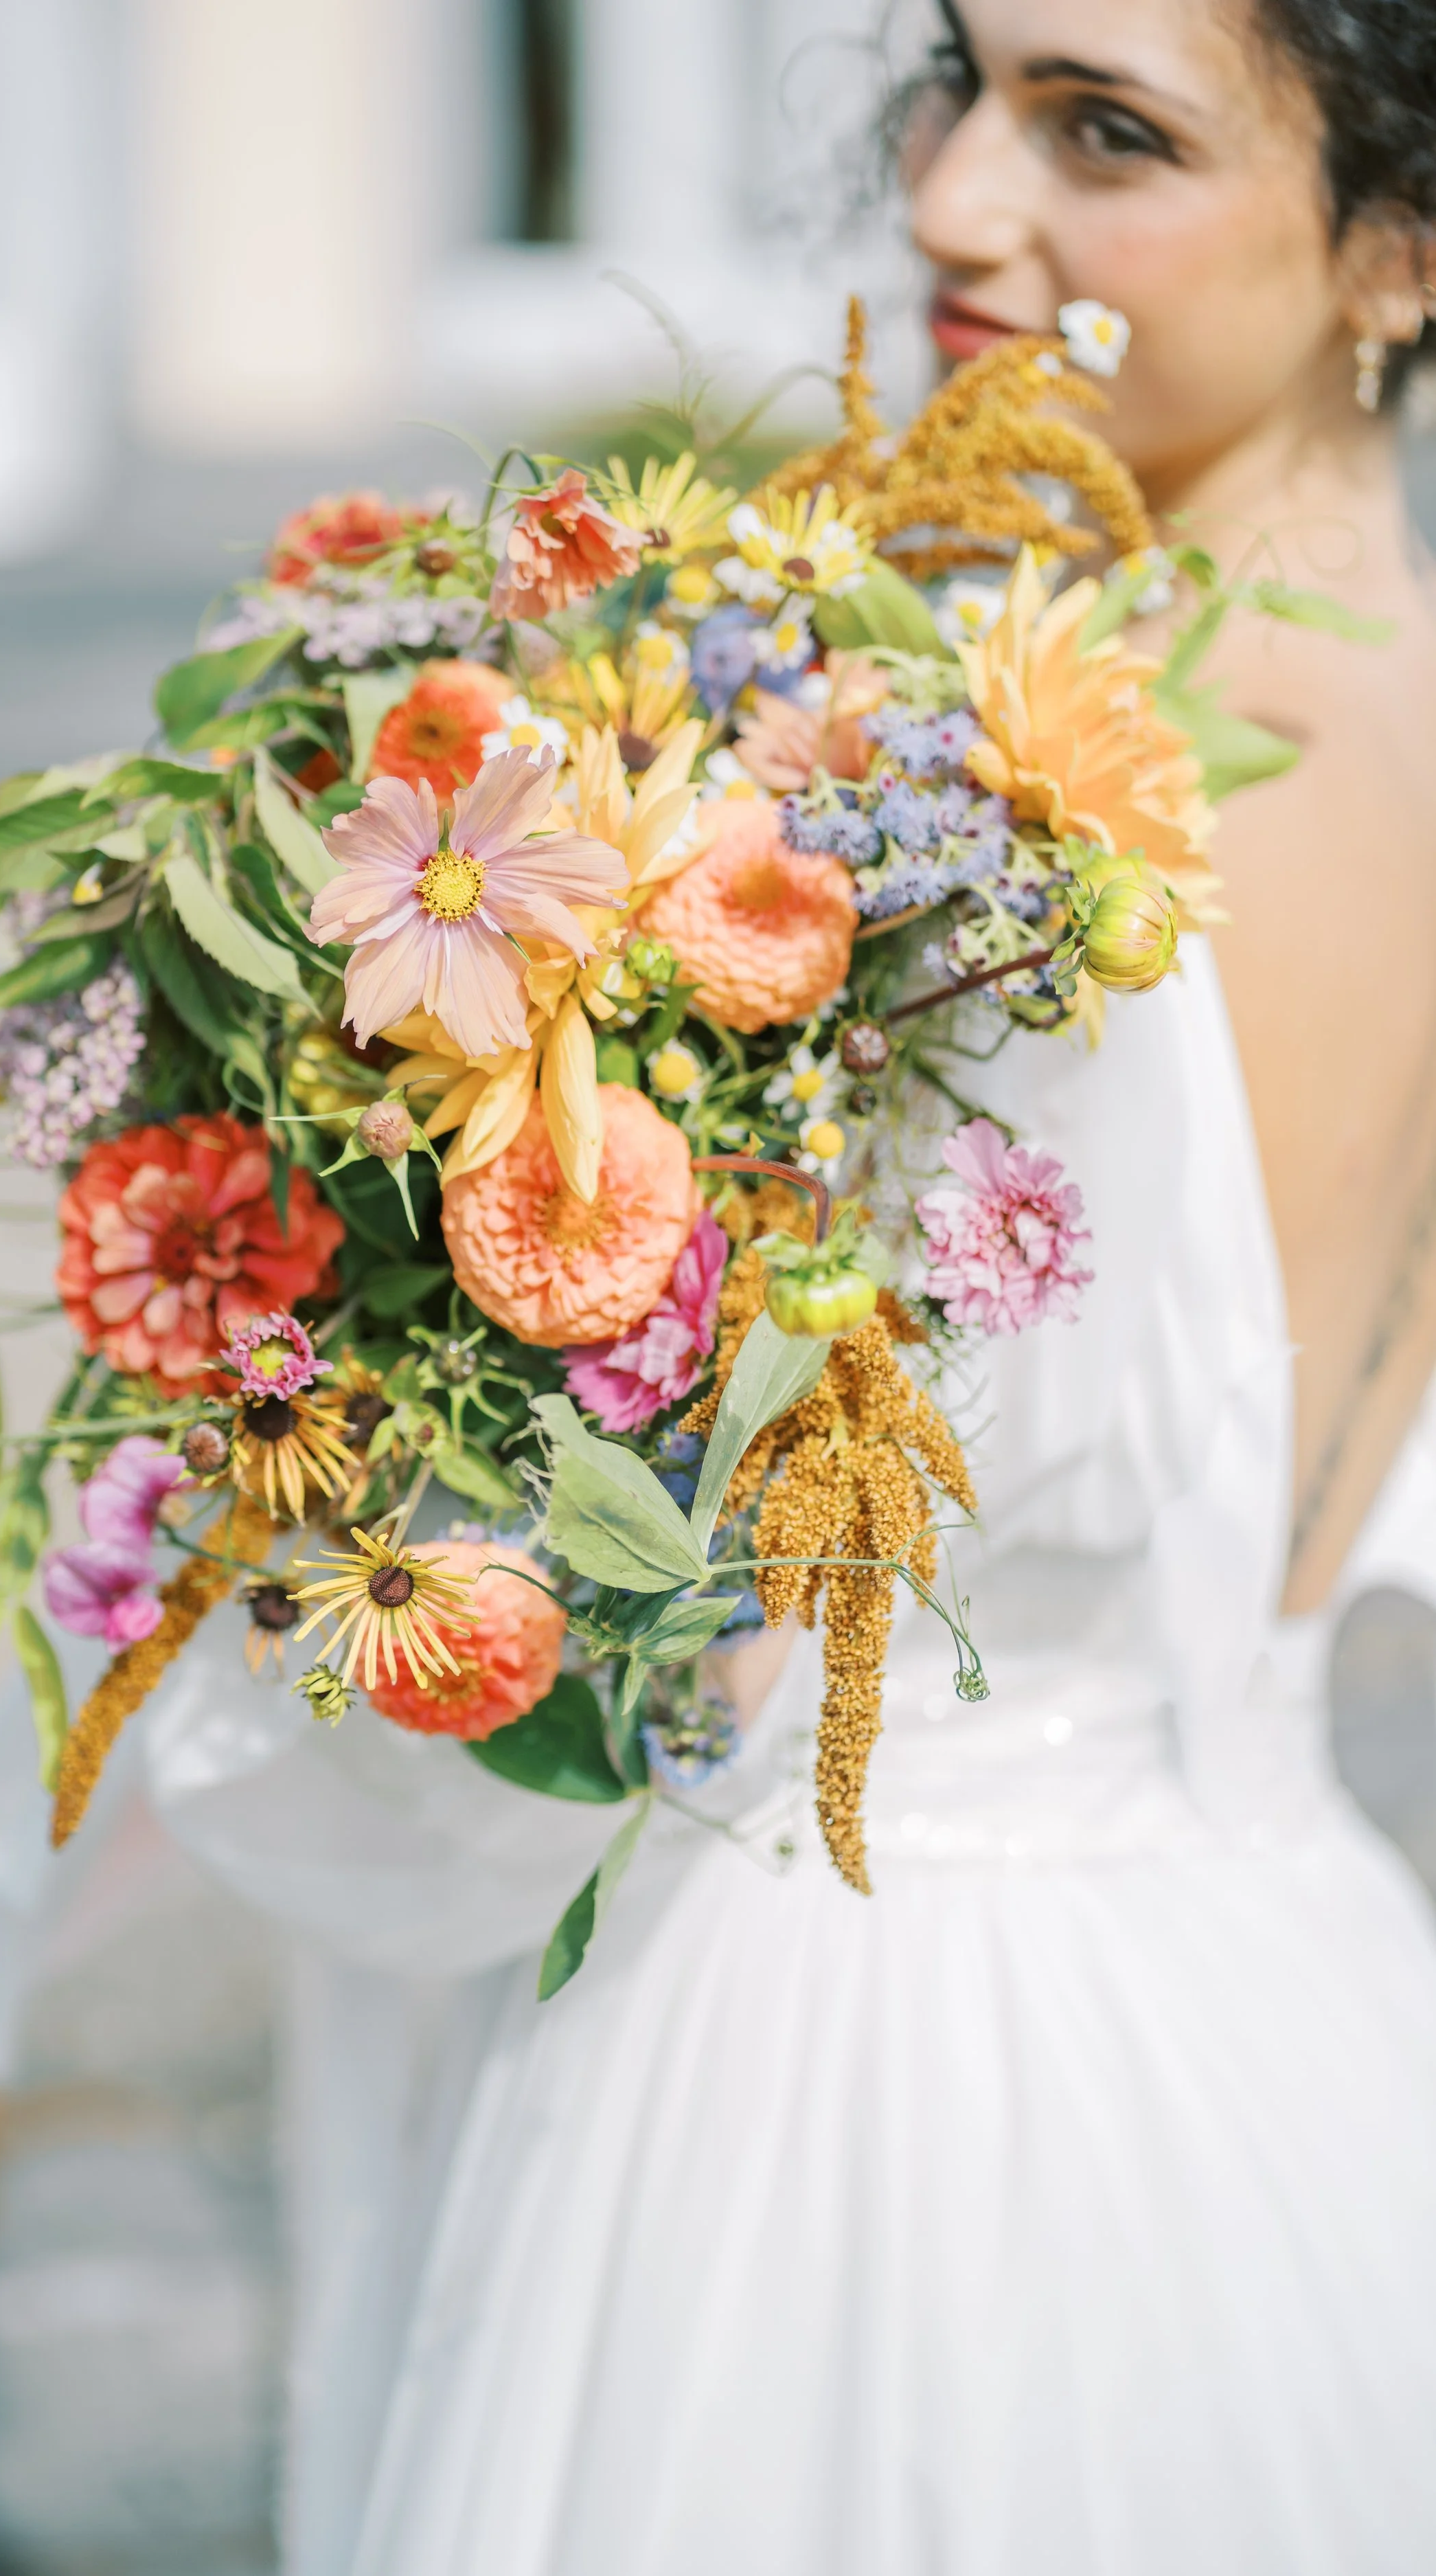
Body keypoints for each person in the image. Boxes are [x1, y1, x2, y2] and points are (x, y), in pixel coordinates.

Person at [144, 2, 1436, 2566]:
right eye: (964, 80)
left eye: (1107, 134)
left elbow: (698, 1551)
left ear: (1397, 258)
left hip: (868, 2054)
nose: (955, 202)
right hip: (1284, 2002)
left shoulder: (1023, 817)